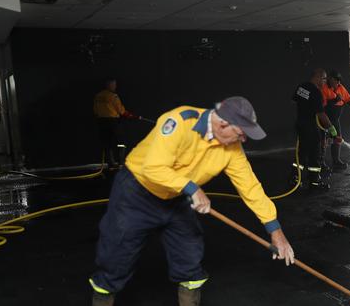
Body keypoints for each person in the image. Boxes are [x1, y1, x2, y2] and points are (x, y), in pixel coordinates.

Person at [89, 96, 295, 306]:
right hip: (136, 194)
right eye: (241, 134)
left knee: (190, 258)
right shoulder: (179, 122)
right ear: (223, 124)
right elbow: (152, 168)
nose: (243, 141)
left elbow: (251, 188)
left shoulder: (232, 150)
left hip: (176, 198)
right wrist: (192, 188)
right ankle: (103, 298)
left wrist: (275, 231)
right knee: (115, 259)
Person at [291, 68, 337, 189]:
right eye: (324, 78)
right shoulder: (316, 93)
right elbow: (321, 114)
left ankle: (295, 178)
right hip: (310, 126)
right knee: (315, 154)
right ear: (317, 77)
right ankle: (314, 182)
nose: (325, 82)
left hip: (300, 124)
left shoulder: (301, 87)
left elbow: (294, 102)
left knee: (301, 153)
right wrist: (331, 128)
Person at [93, 78, 138, 167]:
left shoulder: (98, 96)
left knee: (107, 143)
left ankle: (111, 163)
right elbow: (121, 111)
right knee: (121, 142)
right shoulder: (113, 96)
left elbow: (95, 110)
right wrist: (130, 115)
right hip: (113, 122)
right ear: (109, 85)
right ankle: (121, 162)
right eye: (113, 85)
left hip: (101, 122)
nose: (115, 87)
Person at [321, 70, 350, 170]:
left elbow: (348, 99)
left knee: (337, 139)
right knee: (323, 141)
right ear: (330, 79)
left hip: (335, 119)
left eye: (339, 81)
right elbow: (323, 105)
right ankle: (320, 163)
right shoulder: (324, 88)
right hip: (324, 119)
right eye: (336, 80)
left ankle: (336, 161)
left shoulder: (340, 88)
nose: (338, 83)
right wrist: (335, 100)